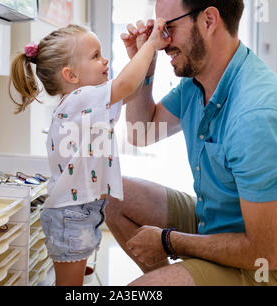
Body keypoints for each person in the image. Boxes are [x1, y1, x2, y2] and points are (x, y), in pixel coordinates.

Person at [105, 0, 277, 286]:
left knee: (143, 291)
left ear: (209, 20)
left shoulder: (259, 115)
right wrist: (143, 64)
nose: (161, 42)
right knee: (112, 196)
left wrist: (168, 241)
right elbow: (140, 132)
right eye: (157, 30)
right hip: (218, 222)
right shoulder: (198, 83)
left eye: (168, 27)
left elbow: (266, 254)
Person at [9, 22, 170, 286]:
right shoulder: (78, 100)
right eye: (95, 56)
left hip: (81, 210)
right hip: (71, 214)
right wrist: (151, 45)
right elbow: (126, 83)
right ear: (71, 75)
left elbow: (131, 90)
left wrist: (141, 55)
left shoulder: (88, 101)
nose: (104, 60)